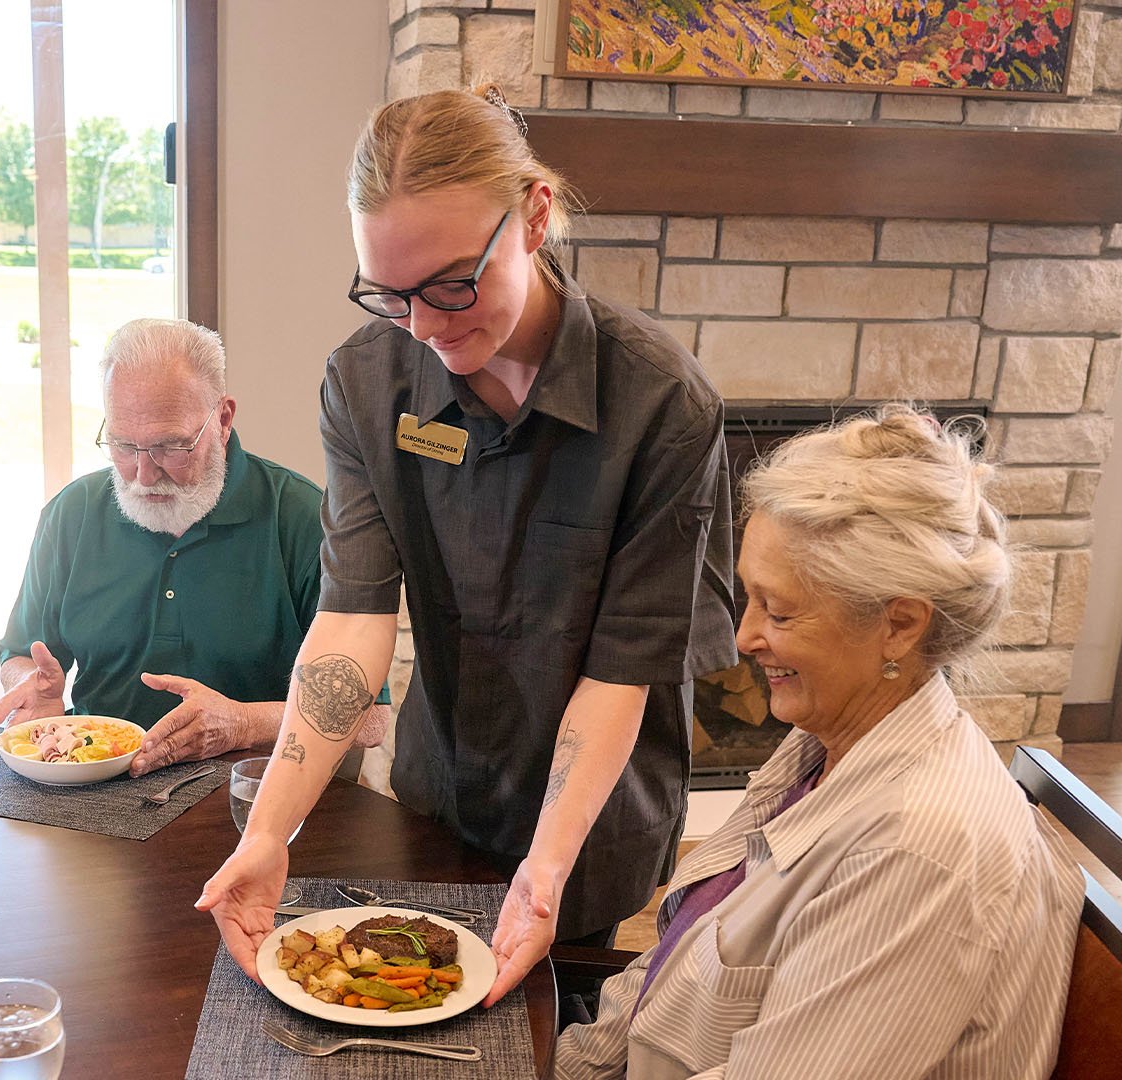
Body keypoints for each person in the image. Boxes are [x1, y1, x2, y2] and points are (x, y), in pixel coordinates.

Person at [197, 84, 738, 1007]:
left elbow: (623, 671)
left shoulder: (660, 405)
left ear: (533, 216)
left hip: (587, 828)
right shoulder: (365, 384)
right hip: (438, 794)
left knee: (547, 1028)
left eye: (454, 283)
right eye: (391, 294)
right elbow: (350, 621)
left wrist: (546, 864)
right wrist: (269, 834)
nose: (428, 326)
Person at [553, 405, 1081, 1078]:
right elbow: (668, 971)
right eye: (748, 599)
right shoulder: (828, 744)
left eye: (778, 610)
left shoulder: (918, 850)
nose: (744, 638)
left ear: (899, 626)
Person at [0, 318, 387, 777]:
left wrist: (241, 723)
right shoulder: (72, 513)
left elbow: (371, 719)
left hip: (255, 789)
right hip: (98, 783)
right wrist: (31, 685)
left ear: (222, 420)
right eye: (123, 445)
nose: (143, 475)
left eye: (170, 447)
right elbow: (24, 654)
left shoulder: (301, 517)